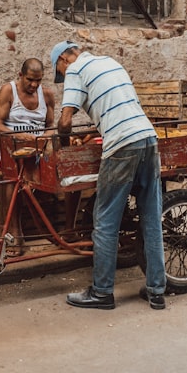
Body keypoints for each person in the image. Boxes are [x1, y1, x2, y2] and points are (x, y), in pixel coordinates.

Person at [50, 40, 167, 310]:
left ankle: (102, 292)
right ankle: (156, 291)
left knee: (104, 222)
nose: (64, 76)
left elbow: (66, 120)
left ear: (64, 59)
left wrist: (62, 142)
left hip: (122, 146)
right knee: (150, 218)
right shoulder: (111, 62)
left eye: (60, 70)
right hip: (148, 139)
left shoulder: (76, 70)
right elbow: (121, 108)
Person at [0, 57, 55, 140]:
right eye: (30, 79)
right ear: (21, 75)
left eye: (38, 80)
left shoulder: (47, 94)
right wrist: (19, 135)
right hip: (12, 149)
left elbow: (50, 127)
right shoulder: (8, 91)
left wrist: (42, 138)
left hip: (39, 149)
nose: (34, 84)